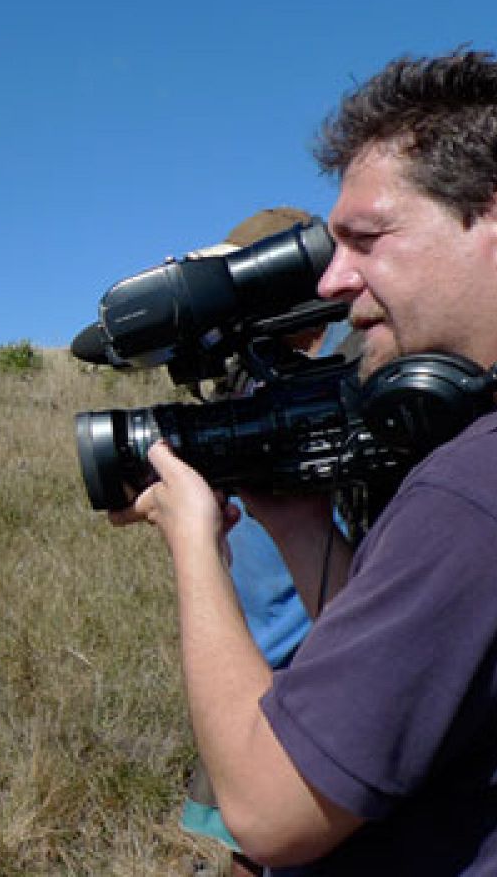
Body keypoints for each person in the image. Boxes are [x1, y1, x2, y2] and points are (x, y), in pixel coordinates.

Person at [109, 50, 497, 873]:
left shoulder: (483, 496)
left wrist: (191, 535)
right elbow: (420, 685)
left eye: (366, 238)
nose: (334, 281)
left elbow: (266, 812)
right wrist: (299, 527)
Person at [177, 209, 351, 877]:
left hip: (312, 657)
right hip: (246, 659)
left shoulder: (332, 386)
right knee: (246, 845)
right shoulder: (243, 383)